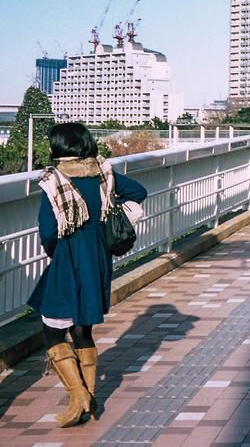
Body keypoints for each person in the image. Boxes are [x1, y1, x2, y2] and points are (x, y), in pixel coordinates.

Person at [27, 123, 147, 427]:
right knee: (83, 329)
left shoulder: (54, 181)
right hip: (97, 260)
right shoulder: (102, 173)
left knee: (52, 330)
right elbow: (139, 191)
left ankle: (78, 395)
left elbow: (50, 232)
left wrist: (57, 250)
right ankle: (90, 399)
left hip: (68, 260)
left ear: (59, 149)